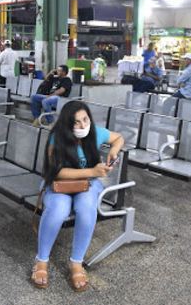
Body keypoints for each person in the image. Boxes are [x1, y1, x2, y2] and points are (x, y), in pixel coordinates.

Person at [31, 101, 124, 291]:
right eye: (76, 122)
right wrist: (92, 172)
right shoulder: (57, 138)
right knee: (58, 210)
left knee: (86, 208)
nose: (83, 126)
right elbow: (56, 172)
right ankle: (41, 260)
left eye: (85, 120)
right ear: (66, 124)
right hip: (59, 184)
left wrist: (114, 150)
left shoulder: (95, 133)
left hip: (87, 184)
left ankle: (76, 262)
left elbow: (118, 138)